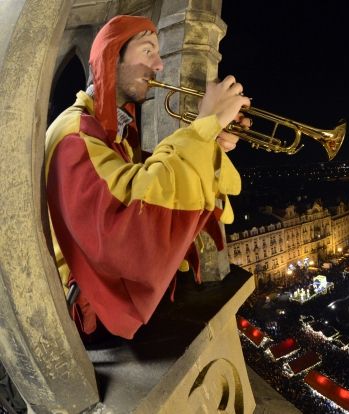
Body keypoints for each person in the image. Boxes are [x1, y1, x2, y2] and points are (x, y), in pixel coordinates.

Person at [45, 15, 251, 340]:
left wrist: (207, 142)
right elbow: (131, 219)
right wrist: (203, 128)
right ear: (112, 56)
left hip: (107, 299)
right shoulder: (76, 134)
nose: (159, 66)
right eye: (147, 51)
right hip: (87, 316)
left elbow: (149, 183)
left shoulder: (116, 130)